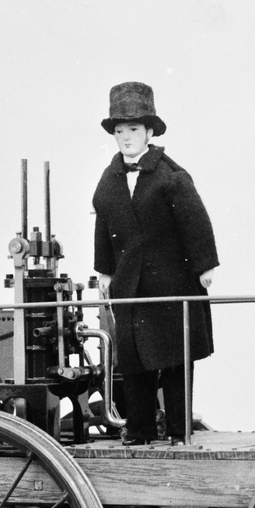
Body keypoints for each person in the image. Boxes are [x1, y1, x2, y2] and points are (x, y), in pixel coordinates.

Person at [92, 82, 219, 445]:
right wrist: (104, 270)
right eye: (119, 130)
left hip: (172, 284)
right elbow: (104, 224)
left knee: (176, 358)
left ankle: (179, 430)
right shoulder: (110, 179)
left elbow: (196, 221)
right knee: (133, 359)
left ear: (149, 131)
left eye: (133, 129)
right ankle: (139, 429)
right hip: (131, 286)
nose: (126, 137)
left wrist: (205, 266)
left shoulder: (170, 175)